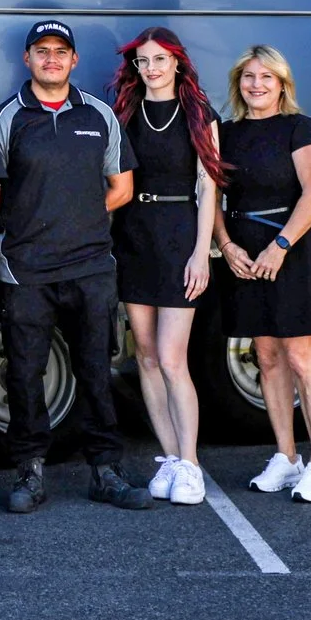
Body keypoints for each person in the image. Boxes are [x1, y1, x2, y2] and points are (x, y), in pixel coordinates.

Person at [0, 20, 150, 513]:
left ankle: (106, 471)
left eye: (61, 51)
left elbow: (122, 187)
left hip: (89, 266)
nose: (52, 59)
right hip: (26, 269)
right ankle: (29, 472)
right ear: (27, 59)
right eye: (42, 51)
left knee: (96, 371)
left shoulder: (99, 115)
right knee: (24, 374)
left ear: (74, 60)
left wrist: (80, 214)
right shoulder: (7, 118)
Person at [217, 44, 311, 503]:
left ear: (283, 84)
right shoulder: (226, 133)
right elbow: (211, 196)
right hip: (244, 255)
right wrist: (226, 245)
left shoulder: (301, 128)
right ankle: (287, 458)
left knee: (301, 358)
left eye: (267, 77)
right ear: (239, 83)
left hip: (289, 252)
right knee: (266, 356)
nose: (257, 85)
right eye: (249, 77)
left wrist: (280, 246)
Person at [108, 26, 221, 507]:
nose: (151, 68)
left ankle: (191, 464)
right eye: (143, 61)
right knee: (148, 358)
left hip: (179, 236)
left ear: (177, 61)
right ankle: (171, 457)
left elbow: (208, 187)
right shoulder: (124, 112)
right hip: (134, 236)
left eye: (159, 59)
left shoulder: (199, 113)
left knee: (174, 360)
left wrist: (201, 252)